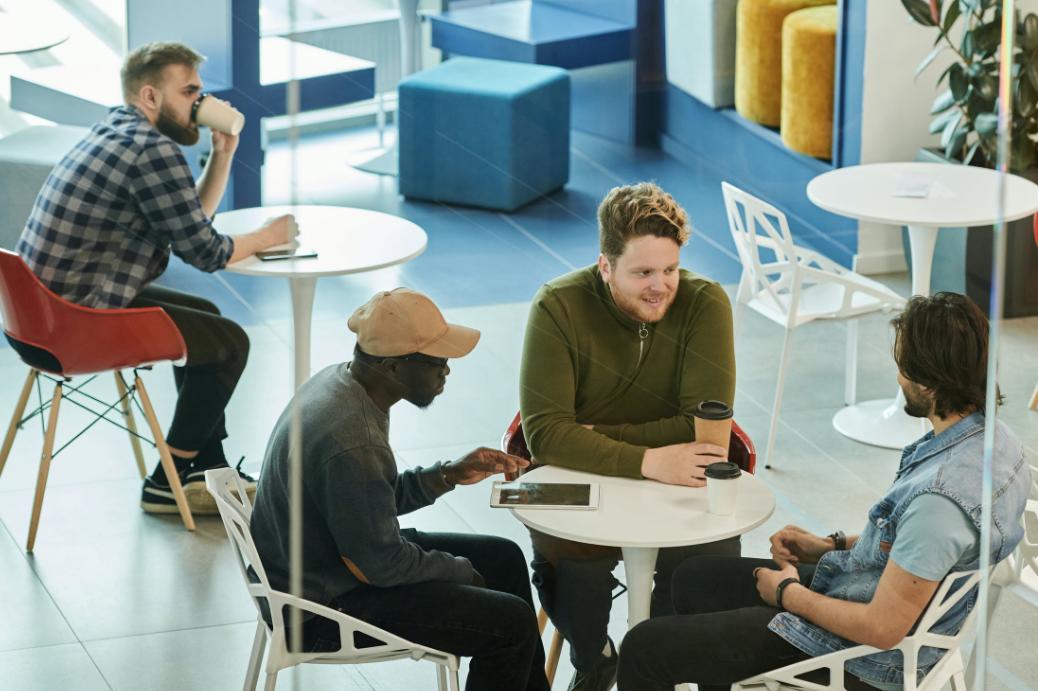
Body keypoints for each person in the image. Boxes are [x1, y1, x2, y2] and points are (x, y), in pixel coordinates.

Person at [616, 292, 1031, 691]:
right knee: (695, 579)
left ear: (929, 384)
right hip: (879, 596)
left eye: (903, 367)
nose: (898, 377)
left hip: (859, 658)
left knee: (642, 648)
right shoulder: (998, 444)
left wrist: (788, 594)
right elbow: (913, 546)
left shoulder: (939, 503)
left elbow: (881, 628)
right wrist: (829, 545)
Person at [15, 42, 296, 514]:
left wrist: (222, 154)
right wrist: (268, 236)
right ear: (150, 96)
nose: (200, 105)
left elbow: (188, 222)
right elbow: (207, 251)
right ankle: (169, 479)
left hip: (37, 316)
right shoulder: (151, 149)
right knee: (231, 343)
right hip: (71, 324)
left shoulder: (117, 128)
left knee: (208, 320)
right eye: (189, 93)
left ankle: (207, 469)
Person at [250, 288, 551, 691]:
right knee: (510, 624)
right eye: (436, 361)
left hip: (323, 561)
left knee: (504, 557)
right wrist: (461, 572)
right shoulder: (353, 437)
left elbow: (368, 499)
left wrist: (447, 474)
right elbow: (382, 565)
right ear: (392, 367)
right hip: (316, 608)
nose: (447, 370)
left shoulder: (344, 382)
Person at [518, 182, 739, 690]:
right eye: (642, 273)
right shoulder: (557, 305)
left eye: (670, 270)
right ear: (605, 266)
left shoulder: (706, 303)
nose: (660, 286)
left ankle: (658, 666)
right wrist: (649, 459)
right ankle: (594, 657)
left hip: (670, 478)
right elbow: (546, 435)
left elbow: (704, 429)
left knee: (711, 567)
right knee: (570, 570)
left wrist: (597, 435)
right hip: (581, 477)